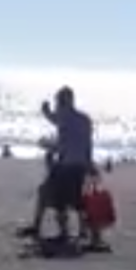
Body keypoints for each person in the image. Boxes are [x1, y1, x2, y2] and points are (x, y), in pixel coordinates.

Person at [22, 86, 96, 242]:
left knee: (50, 195)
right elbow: (87, 145)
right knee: (77, 199)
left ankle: (45, 228)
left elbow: (61, 144)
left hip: (66, 167)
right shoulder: (85, 120)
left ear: (61, 103)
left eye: (57, 102)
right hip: (80, 167)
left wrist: (45, 143)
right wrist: (90, 166)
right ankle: (84, 230)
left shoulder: (64, 118)